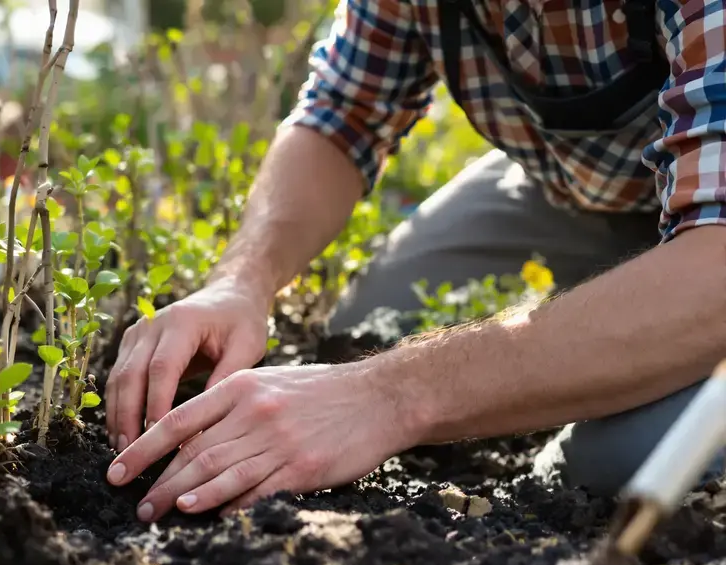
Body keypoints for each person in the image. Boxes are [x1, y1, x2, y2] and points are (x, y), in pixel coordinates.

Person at [103, 0, 726, 523]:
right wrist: (239, 283)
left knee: (612, 467)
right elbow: (339, 115)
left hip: (711, 246)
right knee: (367, 329)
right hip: (588, 185)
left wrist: (390, 396)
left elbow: (714, 275)